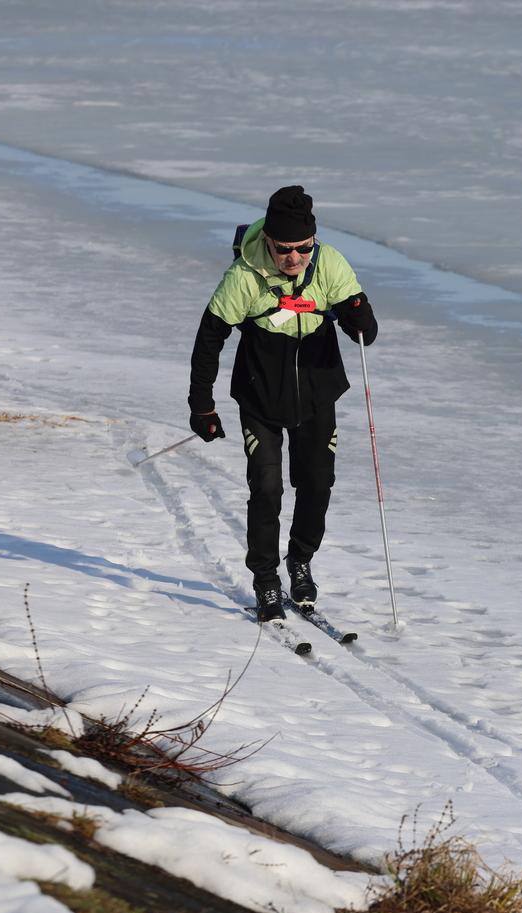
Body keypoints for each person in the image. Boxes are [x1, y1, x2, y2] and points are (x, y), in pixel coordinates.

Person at [187, 186, 378, 622]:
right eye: (285, 249)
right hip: (260, 395)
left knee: (317, 483)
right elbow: (209, 340)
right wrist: (202, 405)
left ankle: (301, 560)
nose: (295, 258)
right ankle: (266, 580)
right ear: (269, 242)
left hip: (318, 392)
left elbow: (366, 333)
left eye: (303, 248)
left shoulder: (329, 264)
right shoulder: (244, 276)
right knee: (267, 488)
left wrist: (356, 311)